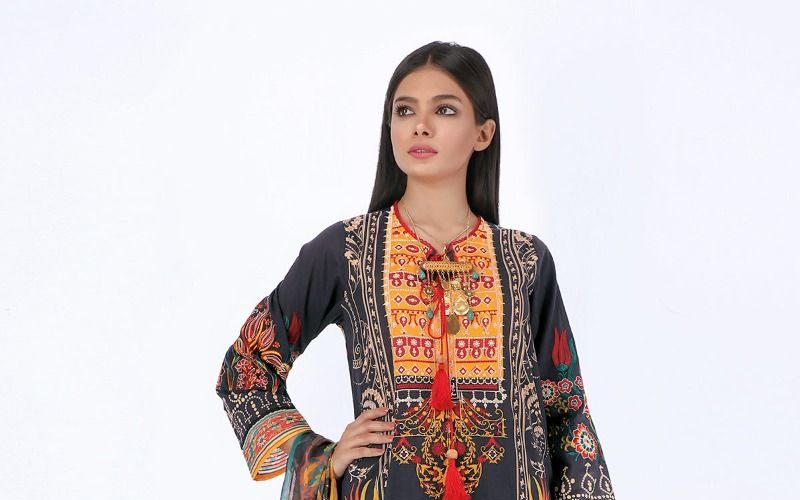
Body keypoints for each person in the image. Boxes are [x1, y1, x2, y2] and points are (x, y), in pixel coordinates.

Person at [215, 40, 615, 500]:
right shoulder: (347, 251)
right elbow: (246, 368)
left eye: (444, 110)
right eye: (405, 111)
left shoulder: (524, 260)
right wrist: (323, 457)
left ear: (483, 133)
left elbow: (567, 412)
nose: (420, 125)